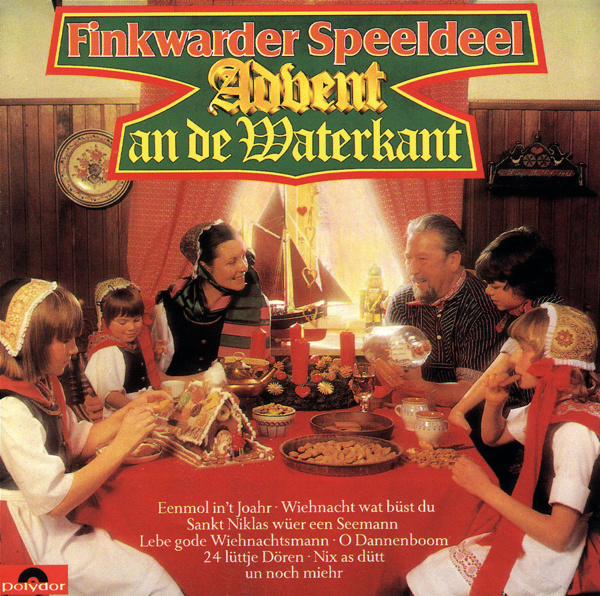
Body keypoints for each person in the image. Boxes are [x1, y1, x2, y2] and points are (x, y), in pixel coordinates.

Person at [0, 278, 182, 595]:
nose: (75, 350)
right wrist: (121, 445)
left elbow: (78, 441)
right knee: (151, 580)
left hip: (51, 523)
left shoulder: (44, 383)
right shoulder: (9, 409)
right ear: (33, 343)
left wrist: (133, 409)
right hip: (27, 539)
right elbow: (53, 501)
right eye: (65, 341)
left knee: (145, 553)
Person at [406, 303, 600, 596]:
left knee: (431, 578)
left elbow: (558, 537)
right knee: (430, 570)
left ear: (552, 360)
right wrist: (494, 403)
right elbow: (494, 438)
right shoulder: (553, 404)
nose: (513, 359)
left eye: (522, 349)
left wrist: (485, 489)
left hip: (550, 561)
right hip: (533, 538)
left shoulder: (574, 434)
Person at [448, 227, 563, 490]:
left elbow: (502, 363)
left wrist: (459, 409)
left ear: (523, 284)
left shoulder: (544, 316)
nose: (487, 291)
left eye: (495, 286)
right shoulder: (537, 306)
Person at [382, 213, 503, 406]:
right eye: (408, 258)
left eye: (422, 259)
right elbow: (391, 376)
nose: (412, 270)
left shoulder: (485, 305)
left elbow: (474, 392)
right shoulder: (400, 302)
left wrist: (418, 387)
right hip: (411, 411)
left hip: (469, 418)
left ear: (453, 260)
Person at [152, 221, 271, 376]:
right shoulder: (168, 305)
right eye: (231, 262)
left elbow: (259, 372)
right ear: (205, 267)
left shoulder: (256, 303)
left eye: (243, 257)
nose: (244, 267)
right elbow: (158, 371)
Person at [85, 277, 164, 418]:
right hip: (123, 416)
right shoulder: (106, 351)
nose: (131, 327)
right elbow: (111, 396)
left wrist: (155, 357)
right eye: (123, 322)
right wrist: (141, 409)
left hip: (144, 409)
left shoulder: (133, 344)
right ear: (106, 322)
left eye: (136, 320)